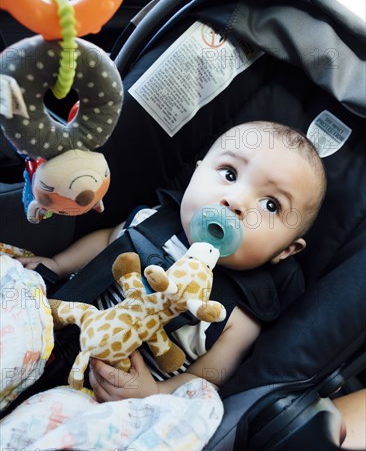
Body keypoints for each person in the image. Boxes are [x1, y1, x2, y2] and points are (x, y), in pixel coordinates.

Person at [17, 121, 327, 402]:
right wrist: (56, 265)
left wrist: (154, 393)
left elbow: (205, 380)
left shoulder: (240, 317)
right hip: (49, 327)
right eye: (229, 174)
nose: (235, 201)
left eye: (270, 204)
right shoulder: (153, 220)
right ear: (196, 172)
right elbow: (106, 241)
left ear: (286, 250)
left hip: (101, 399)